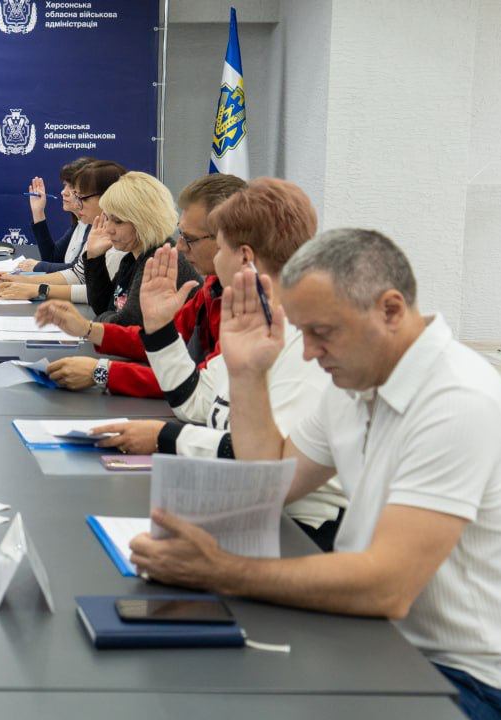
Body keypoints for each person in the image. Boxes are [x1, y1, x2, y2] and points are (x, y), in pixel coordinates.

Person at [131, 229, 501, 719]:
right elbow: (272, 480)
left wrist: (222, 571)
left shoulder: (457, 400)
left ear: (390, 310)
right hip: (384, 641)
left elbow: (388, 586)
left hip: (472, 679)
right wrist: (249, 374)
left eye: (322, 332)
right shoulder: (355, 382)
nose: (308, 353)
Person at [87, 178, 345, 549]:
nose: (182, 248)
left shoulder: (306, 346)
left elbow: (269, 470)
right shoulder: (256, 322)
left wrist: (166, 437)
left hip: (297, 535)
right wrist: (159, 329)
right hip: (254, 515)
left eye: (219, 247)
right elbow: (195, 402)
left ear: (244, 258)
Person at [34, 173, 244, 397]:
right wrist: (88, 329)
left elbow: (204, 384)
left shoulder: (246, 306)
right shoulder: (213, 286)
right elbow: (157, 340)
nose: (181, 247)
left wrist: (101, 372)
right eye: (181, 234)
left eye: (189, 238)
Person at [0, 160, 127, 303]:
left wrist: (38, 289)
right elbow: (78, 274)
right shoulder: (95, 229)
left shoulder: (119, 242)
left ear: (107, 197)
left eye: (82, 198)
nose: (77, 204)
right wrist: (21, 280)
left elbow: (101, 293)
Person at [17, 156, 97, 273]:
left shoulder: (95, 227)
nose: (64, 192)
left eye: (72, 187)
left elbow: (79, 272)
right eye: (65, 185)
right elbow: (52, 258)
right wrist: (38, 212)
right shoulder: (80, 224)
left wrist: (37, 266)